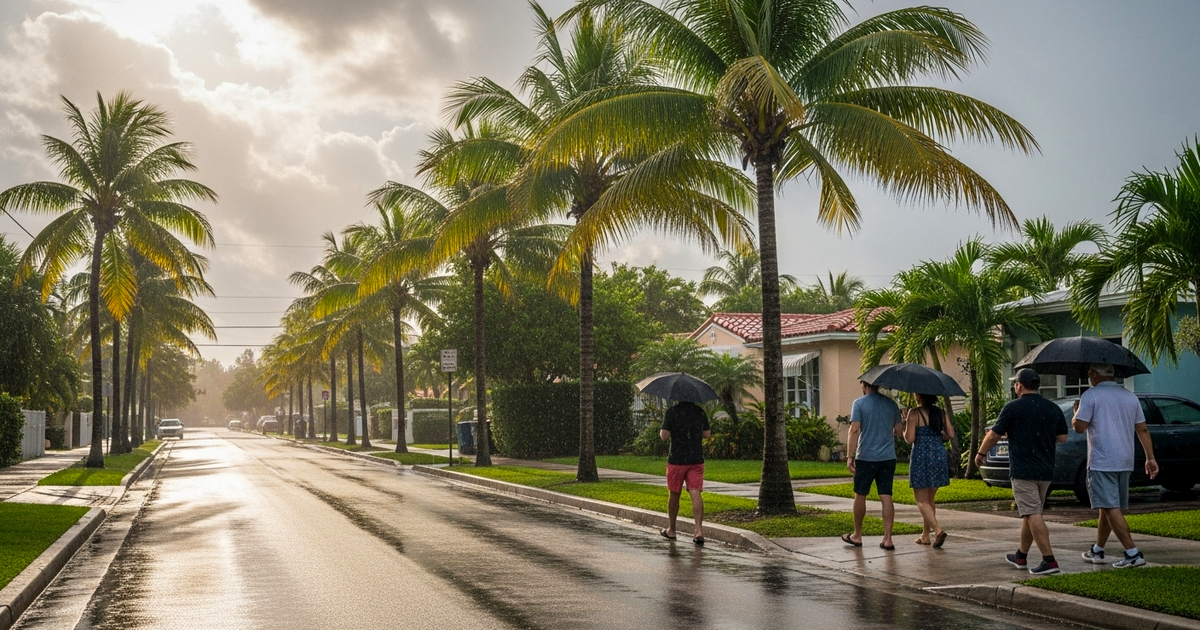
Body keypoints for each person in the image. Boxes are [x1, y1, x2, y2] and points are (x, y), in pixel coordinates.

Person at [975, 368, 1069, 575]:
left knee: (1032, 513)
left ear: (1019, 385)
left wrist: (981, 454)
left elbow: (993, 435)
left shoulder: (1013, 408)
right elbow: (1062, 438)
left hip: (1023, 469)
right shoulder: (1052, 408)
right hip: (1045, 469)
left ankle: (1049, 560)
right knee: (1030, 512)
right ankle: (1021, 555)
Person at [1072, 363, 1159, 568]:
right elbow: (1142, 429)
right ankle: (1098, 549)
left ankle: (1132, 553)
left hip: (1102, 460)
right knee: (1108, 505)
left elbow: (1079, 427)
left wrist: (1076, 412)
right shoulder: (1130, 397)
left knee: (1110, 506)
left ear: (1094, 374)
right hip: (1124, 460)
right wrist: (1150, 458)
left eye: (1089, 373)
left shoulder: (1091, 396)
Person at [843, 381, 903, 550]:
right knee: (886, 495)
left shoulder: (859, 403)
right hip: (887, 457)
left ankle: (857, 535)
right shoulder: (891, 404)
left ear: (864, 385)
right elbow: (898, 432)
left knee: (860, 494)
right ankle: (888, 538)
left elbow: (854, 429)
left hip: (866, 457)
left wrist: (849, 456)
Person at [659, 399, 711, 545]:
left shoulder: (671, 412)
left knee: (674, 493)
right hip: (696, 459)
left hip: (676, 460)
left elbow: (664, 436)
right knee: (695, 492)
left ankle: (672, 530)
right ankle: (698, 531)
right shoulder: (700, 412)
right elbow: (707, 434)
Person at [905, 392, 954, 548]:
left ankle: (938, 531)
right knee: (930, 499)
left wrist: (905, 427)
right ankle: (925, 536)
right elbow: (951, 434)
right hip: (938, 454)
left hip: (921, 455)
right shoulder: (940, 413)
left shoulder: (914, 413)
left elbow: (910, 438)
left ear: (919, 396)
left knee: (920, 499)